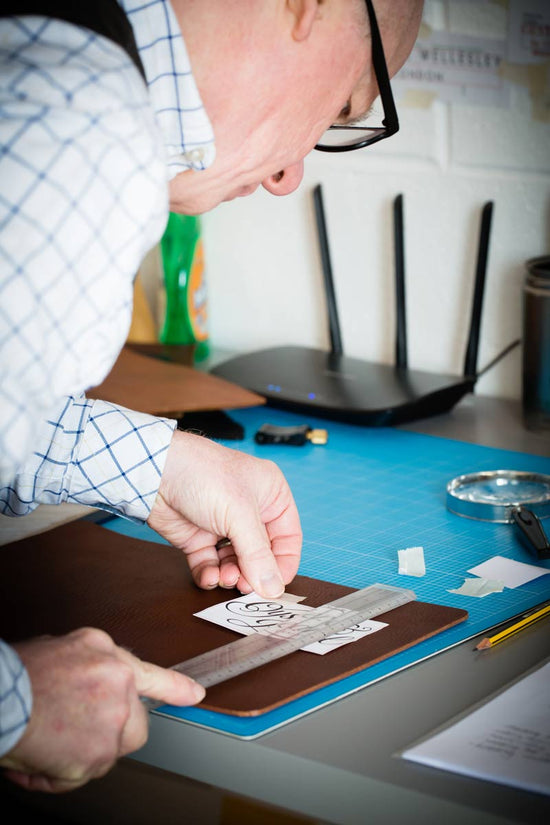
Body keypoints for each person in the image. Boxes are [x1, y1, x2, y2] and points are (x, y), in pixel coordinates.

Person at [0, 0, 423, 794]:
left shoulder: (43, 56)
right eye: (342, 105)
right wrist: (18, 701)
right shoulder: (81, 127)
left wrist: (155, 464)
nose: (289, 176)